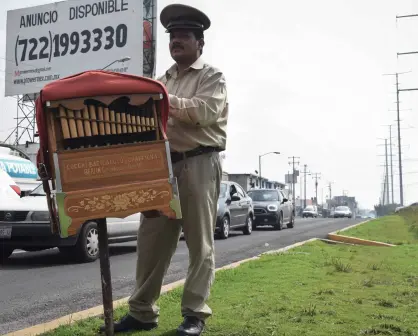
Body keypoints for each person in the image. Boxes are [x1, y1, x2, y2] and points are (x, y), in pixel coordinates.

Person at [100, 3, 228, 336]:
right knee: (151, 241)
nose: (176, 41)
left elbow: (203, 112)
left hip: (200, 162)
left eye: (184, 35)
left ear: (200, 43)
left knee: (200, 243)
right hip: (161, 167)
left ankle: (194, 315)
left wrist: (160, 99)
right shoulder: (162, 80)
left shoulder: (211, 76)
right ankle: (142, 313)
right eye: (172, 36)